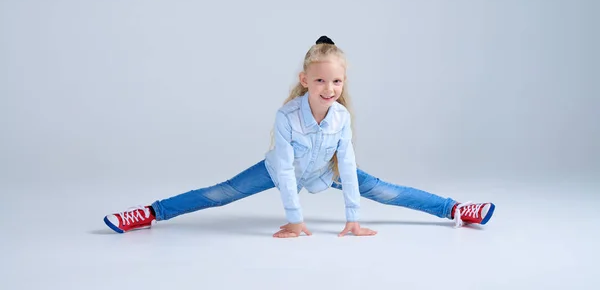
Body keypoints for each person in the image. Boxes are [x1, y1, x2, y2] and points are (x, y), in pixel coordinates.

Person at [103, 36, 495, 237]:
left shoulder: (341, 117)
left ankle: (456, 210)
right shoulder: (286, 116)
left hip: (328, 169)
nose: (329, 88)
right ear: (305, 80)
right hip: (281, 169)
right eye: (321, 80)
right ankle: (151, 213)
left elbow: (351, 164)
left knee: (384, 189)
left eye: (336, 80)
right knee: (221, 192)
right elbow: (287, 172)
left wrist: (353, 219)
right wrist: (294, 219)